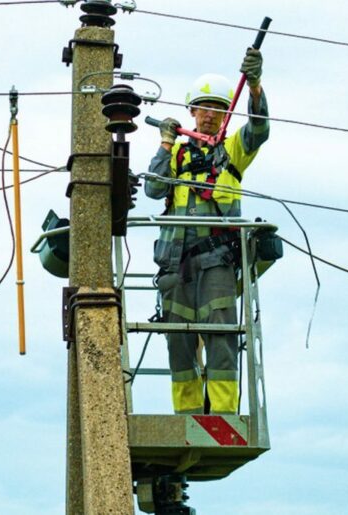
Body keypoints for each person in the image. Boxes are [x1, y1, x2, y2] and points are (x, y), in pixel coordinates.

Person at [145, 48, 269, 415]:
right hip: (175, 265)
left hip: (216, 261)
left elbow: (259, 129)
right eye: (203, 107)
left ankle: (224, 413)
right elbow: (153, 189)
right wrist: (165, 143)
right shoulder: (177, 155)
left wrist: (257, 87)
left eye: (217, 108)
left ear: (225, 114)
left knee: (221, 336)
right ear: (192, 113)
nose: (210, 114)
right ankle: (186, 415)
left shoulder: (232, 150)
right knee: (178, 341)